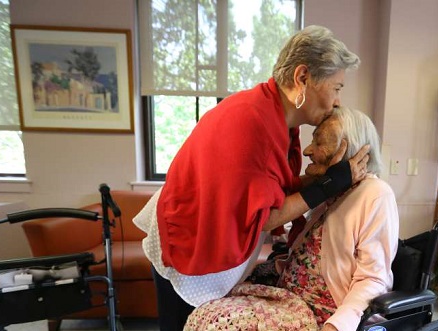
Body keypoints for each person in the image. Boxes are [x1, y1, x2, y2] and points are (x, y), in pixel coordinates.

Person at [133, 25, 370, 331]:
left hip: (194, 231)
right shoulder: (251, 122)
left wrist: (324, 179)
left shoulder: (278, 121)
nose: (337, 100)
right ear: (302, 78)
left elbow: (270, 189)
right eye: (336, 87)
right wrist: (330, 185)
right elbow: (263, 217)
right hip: (188, 240)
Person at [185, 106, 400, 331]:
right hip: (289, 298)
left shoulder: (375, 194)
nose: (307, 150)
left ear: (349, 149)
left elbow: (374, 279)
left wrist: (337, 326)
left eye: (319, 142)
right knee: (204, 314)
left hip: (322, 311)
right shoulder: (333, 192)